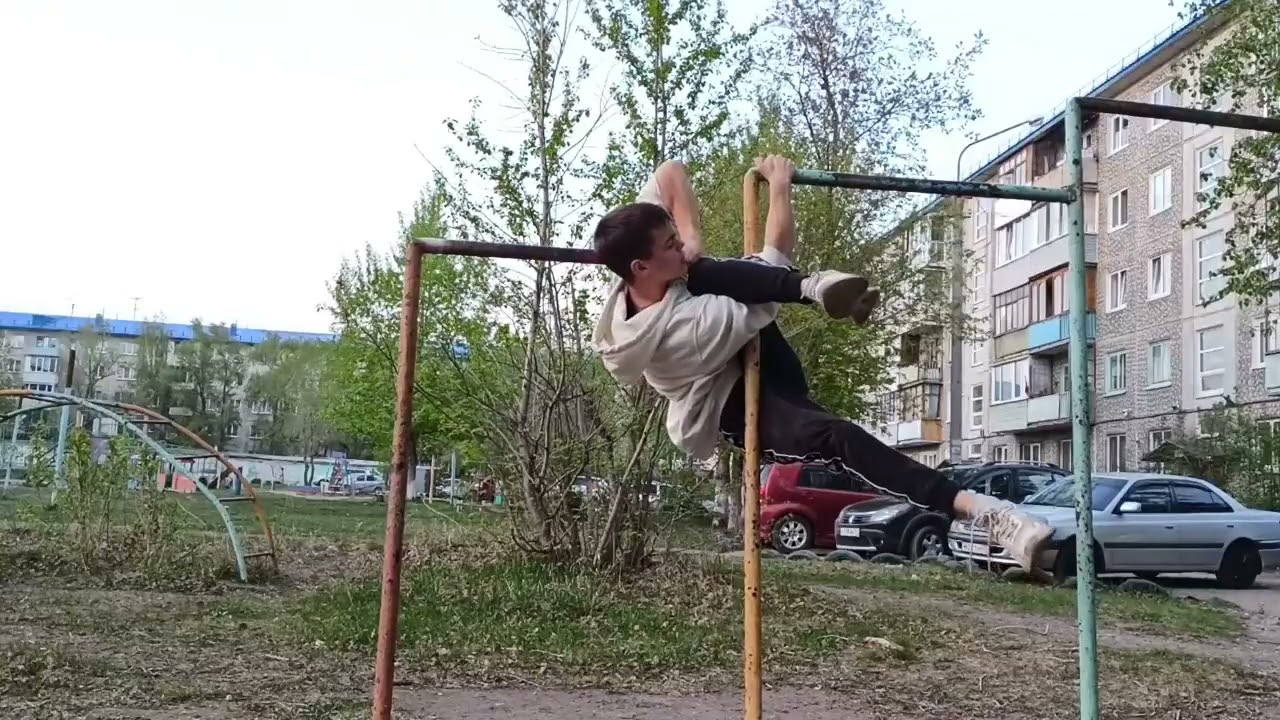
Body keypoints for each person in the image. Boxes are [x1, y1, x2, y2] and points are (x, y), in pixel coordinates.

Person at [590, 155, 1053, 572]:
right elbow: (773, 265)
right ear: (640, 267)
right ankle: (984, 512)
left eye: (675, 237)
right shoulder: (687, 328)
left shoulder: (644, 259)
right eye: (669, 245)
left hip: (763, 357)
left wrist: (690, 238)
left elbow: (670, 172)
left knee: (705, 270)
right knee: (837, 438)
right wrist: (779, 189)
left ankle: (815, 286)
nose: (679, 246)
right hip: (728, 402)